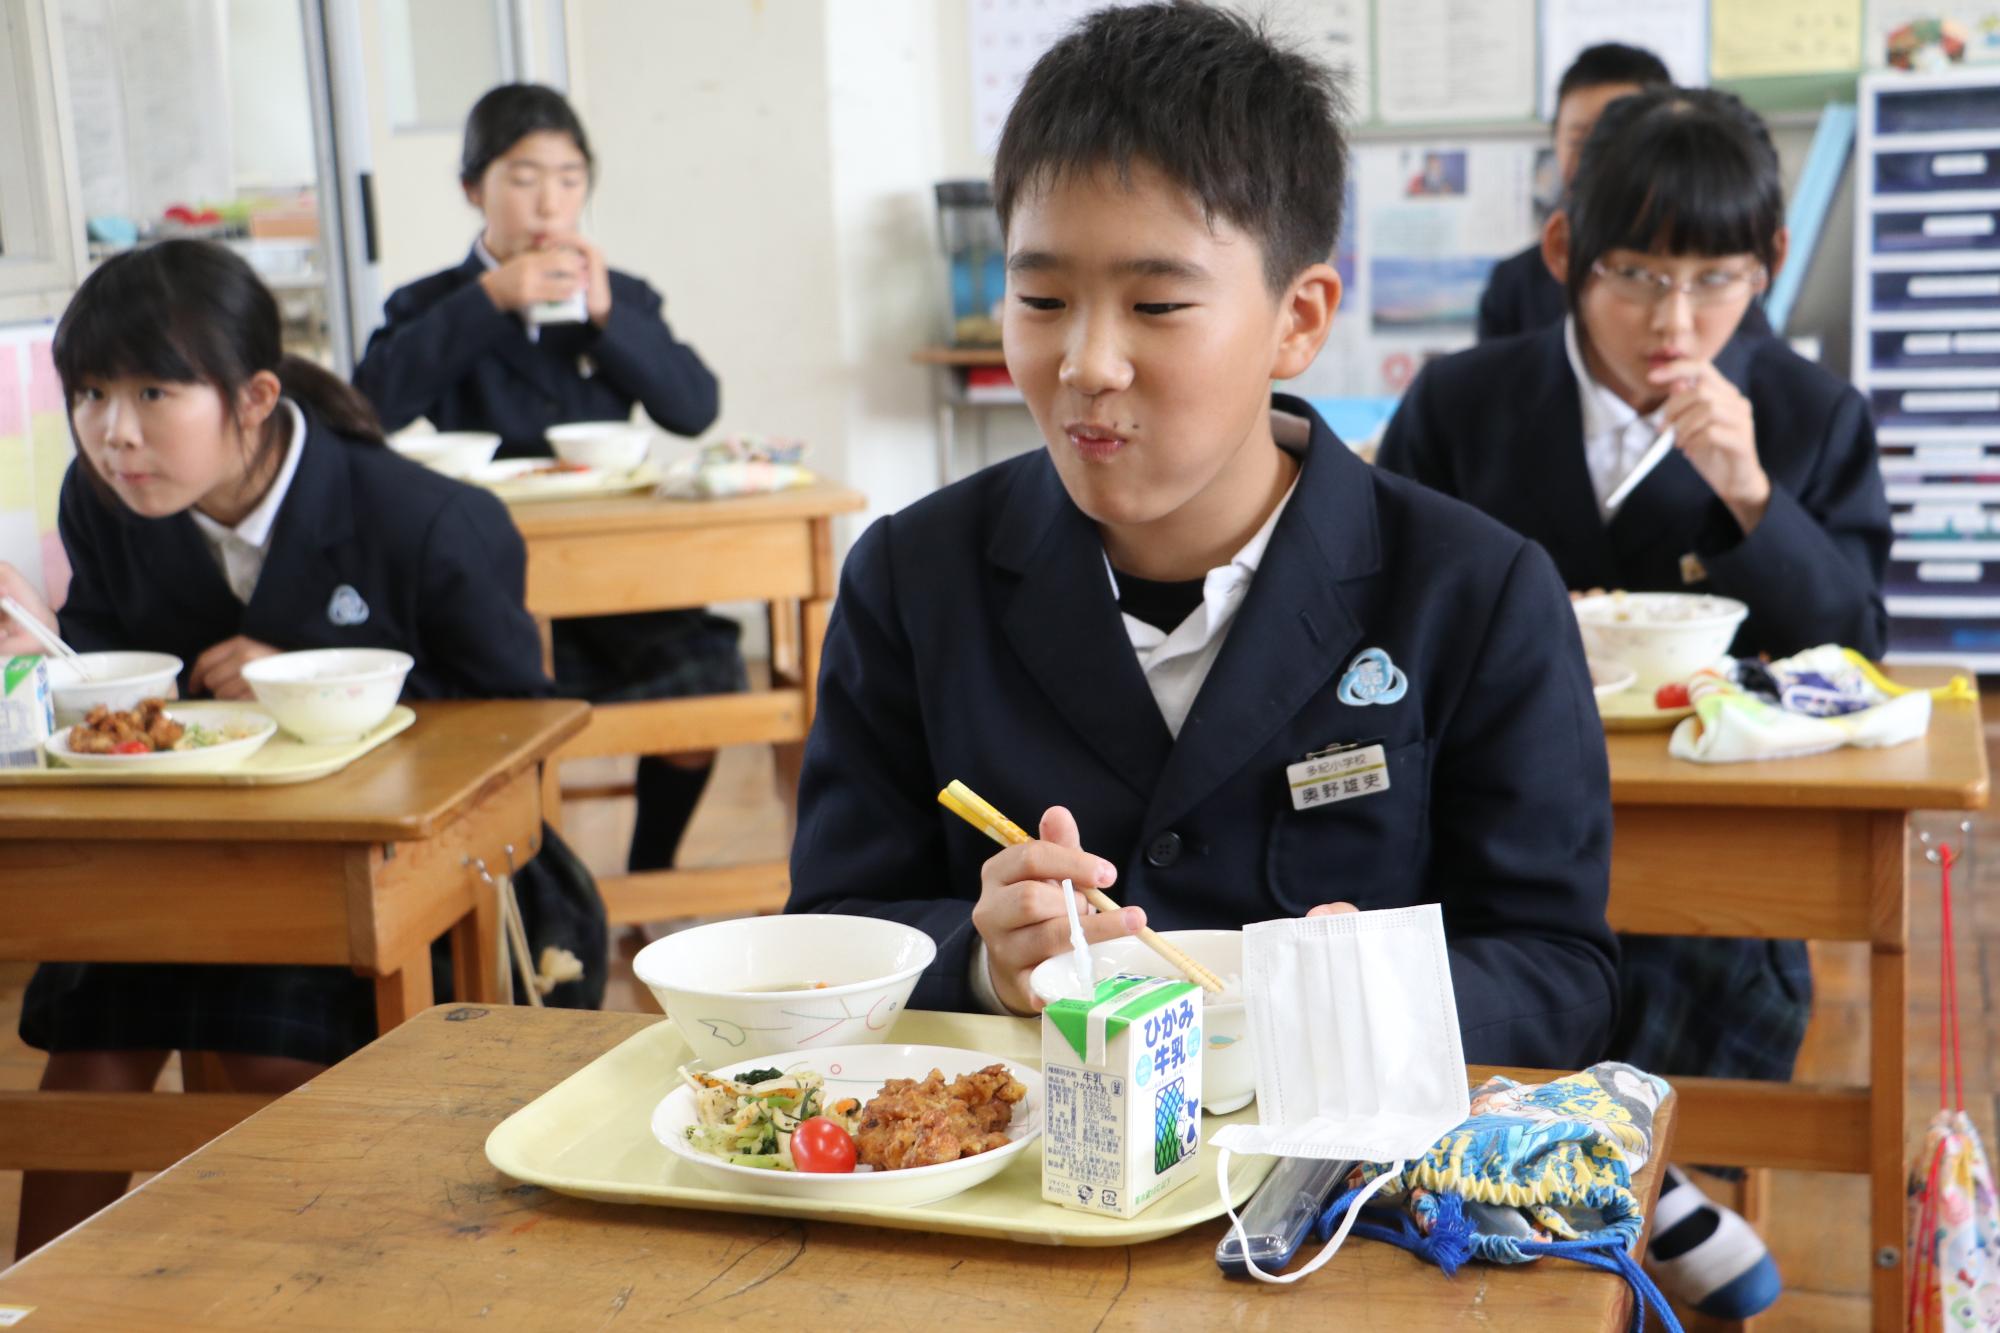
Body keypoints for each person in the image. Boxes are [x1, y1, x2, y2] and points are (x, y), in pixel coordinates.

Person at [785, 4, 1617, 1074]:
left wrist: (1369, 993)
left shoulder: (1473, 591)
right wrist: (981, 965)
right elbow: (838, 929)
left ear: (1299, 319)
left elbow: (1562, 974)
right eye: (1039, 296)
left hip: (1335, 1199)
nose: (1086, 361)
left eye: (1157, 304)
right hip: (1018, 1196)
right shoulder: (912, 580)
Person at [1378, 88, 1891, 1321]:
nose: (1675, 321)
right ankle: (1627, 1203)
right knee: (1474, 949)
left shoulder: (1809, 416)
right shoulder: (1462, 403)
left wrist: (1753, 494)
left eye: (1715, 279)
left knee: (1699, 975)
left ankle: (1597, 1189)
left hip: (1709, 859)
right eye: (1634, 276)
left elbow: (1858, 652)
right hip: (1490, 832)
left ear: (1766, 265)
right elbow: (1372, 602)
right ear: (1563, 255)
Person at [0, 239, 554, 1258]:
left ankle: (355, 1282)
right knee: (91, 1056)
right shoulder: (105, 500)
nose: (113, 432)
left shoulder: (429, 519)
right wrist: (44, 642)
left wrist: (316, 676)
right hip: (175, 851)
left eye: (153, 392)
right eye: (89, 394)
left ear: (252, 398)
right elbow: (125, 697)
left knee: (263, 1060)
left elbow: (518, 725)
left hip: (399, 862)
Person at [354, 83, 740, 883]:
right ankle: (533, 886)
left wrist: (607, 317)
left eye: (568, 179)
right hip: (486, 583)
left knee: (699, 692)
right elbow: (368, 409)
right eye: (524, 177)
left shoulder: (620, 296)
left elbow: (694, 407)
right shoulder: (428, 303)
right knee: (488, 722)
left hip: (617, 575)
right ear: (474, 189)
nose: (549, 201)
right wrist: (488, 300)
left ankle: (649, 875)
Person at [1476, 43, 1768, 345]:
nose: (1602, 156)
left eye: (1622, 136)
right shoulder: (1514, 283)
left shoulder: (1721, 279)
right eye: (1581, 140)